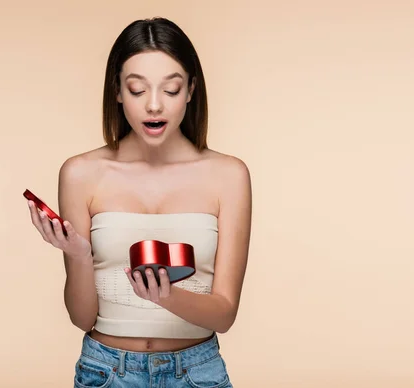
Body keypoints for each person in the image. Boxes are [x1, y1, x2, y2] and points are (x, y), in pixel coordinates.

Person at [26, 16, 251, 387]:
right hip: (107, 371)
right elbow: (83, 317)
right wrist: (80, 255)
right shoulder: (81, 173)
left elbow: (224, 315)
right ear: (117, 91)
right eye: (136, 89)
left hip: (197, 373)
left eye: (171, 89)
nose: (154, 105)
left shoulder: (229, 175)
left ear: (192, 90)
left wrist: (167, 298)